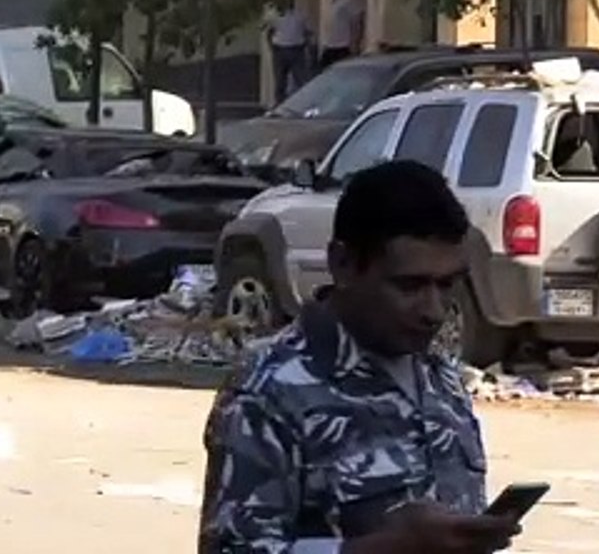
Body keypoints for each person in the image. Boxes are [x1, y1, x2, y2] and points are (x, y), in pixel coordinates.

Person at [198, 160, 519, 554]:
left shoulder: (438, 379)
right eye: (410, 285)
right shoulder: (271, 390)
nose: (434, 310)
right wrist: (388, 548)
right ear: (343, 265)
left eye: (446, 284)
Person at [266, 0, 312, 99]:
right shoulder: (275, 15)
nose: (287, 2)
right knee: (280, 82)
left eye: (289, 0)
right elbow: (269, 32)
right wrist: (272, 48)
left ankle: (303, 103)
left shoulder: (300, 15)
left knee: (301, 80)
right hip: (280, 50)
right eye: (285, 0)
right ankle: (280, 104)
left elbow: (307, 32)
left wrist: (308, 48)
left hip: (297, 50)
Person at [319, 0, 363, 71]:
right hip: (329, 45)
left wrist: (355, 44)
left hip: (342, 47)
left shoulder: (347, 1)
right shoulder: (332, 3)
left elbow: (357, 22)